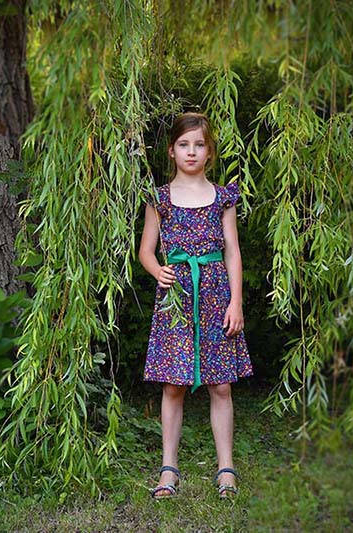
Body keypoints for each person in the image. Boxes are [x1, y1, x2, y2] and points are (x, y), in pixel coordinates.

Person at [138, 112, 253, 500]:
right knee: (174, 385)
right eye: (184, 145)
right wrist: (158, 271)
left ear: (210, 152)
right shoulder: (159, 198)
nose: (192, 151)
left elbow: (233, 251)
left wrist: (236, 301)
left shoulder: (223, 197)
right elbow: (145, 250)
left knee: (222, 386)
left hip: (217, 294)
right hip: (177, 300)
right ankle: (168, 469)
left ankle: (226, 470)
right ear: (172, 151)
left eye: (199, 145)